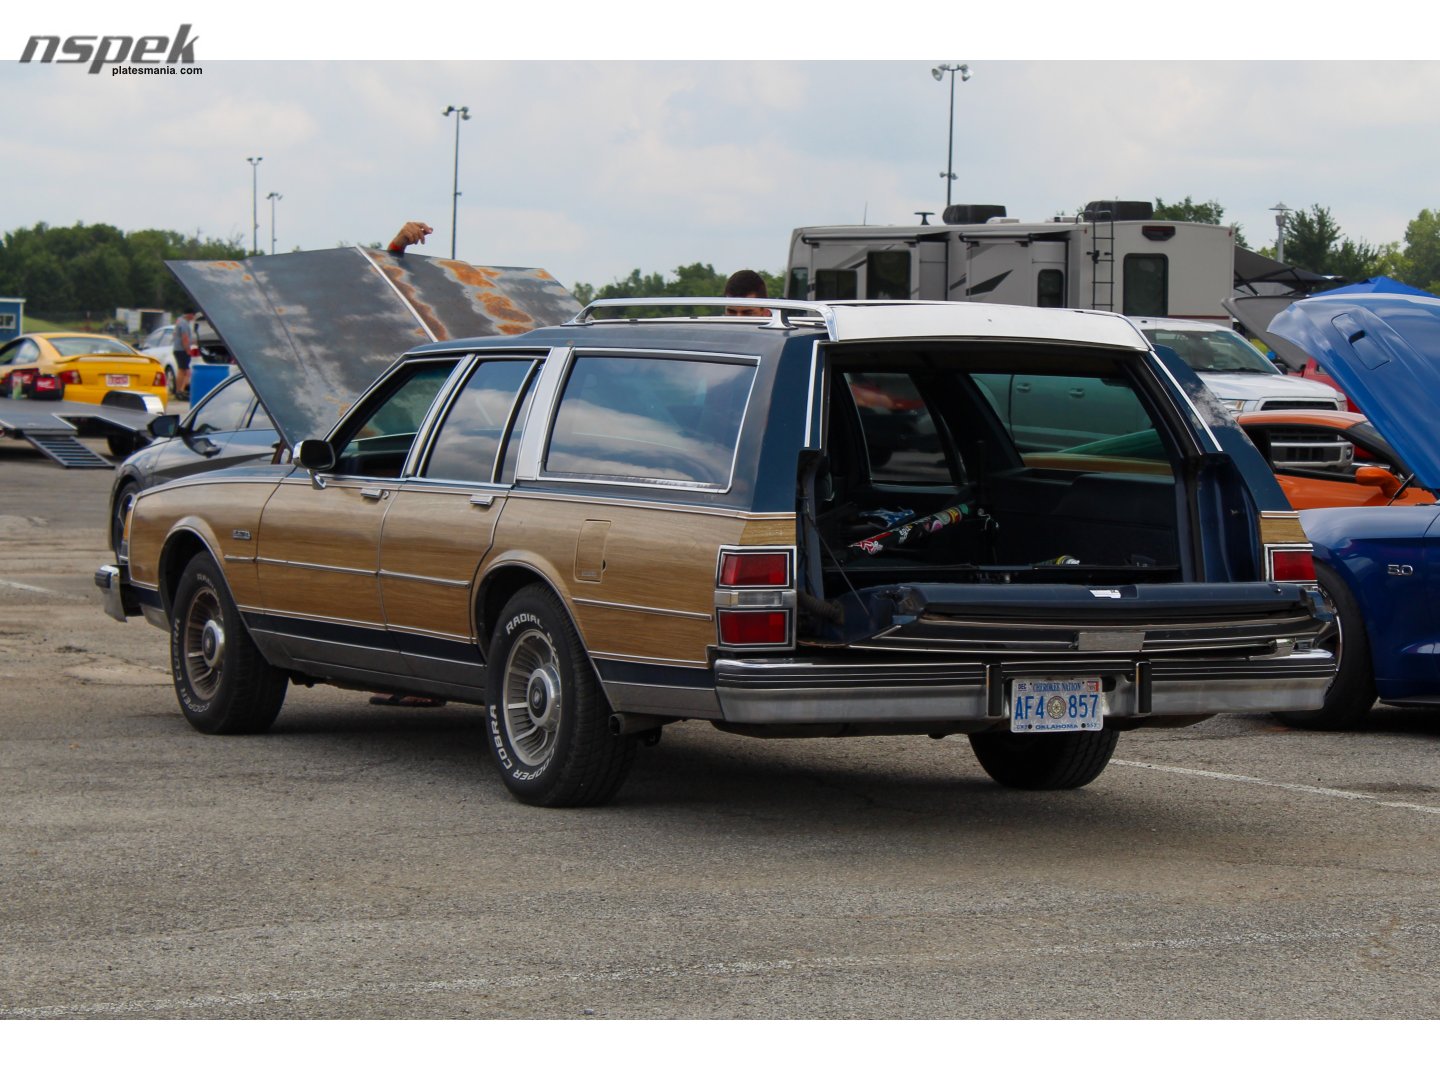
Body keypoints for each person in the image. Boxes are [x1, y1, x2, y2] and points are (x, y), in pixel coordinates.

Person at [172, 310, 197, 397]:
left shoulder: (179, 321)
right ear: (190, 314)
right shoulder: (184, 323)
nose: (193, 318)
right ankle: (179, 391)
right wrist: (187, 350)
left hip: (178, 349)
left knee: (186, 371)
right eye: (193, 315)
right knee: (182, 371)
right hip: (182, 350)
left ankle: (181, 390)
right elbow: (185, 337)